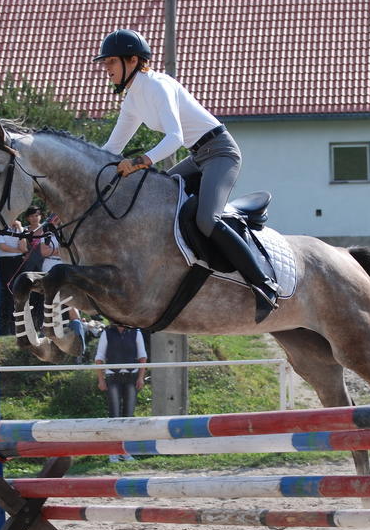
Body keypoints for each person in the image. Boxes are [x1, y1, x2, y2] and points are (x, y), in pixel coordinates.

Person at [95, 28, 279, 323]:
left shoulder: (156, 85)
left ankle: (264, 285)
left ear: (132, 60)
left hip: (220, 153)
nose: (106, 69)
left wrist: (141, 161)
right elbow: (112, 148)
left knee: (207, 219)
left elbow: (175, 138)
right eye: (105, 64)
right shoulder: (132, 99)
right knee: (159, 201)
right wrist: (90, 172)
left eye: (111, 63)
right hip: (197, 157)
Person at [95, 322, 147, 462]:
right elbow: (99, 358)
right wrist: (101, 379)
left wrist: (141, 378)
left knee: (128, 415)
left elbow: (143, 357)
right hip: (113, 376)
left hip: (131, 377)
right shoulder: (107, 333)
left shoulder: (136, 332)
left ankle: (125, 451)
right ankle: (113, 451)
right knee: (114, 414)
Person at [0, 219, 23, 335]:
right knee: (7, 296)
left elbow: (24, 246)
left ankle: (18, 327)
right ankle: (6, 329)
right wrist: (18, 250)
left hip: (18, 263)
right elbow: (2, 247)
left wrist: (20, 228)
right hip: (5, 263)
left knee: (18, 295)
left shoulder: (19, 229)